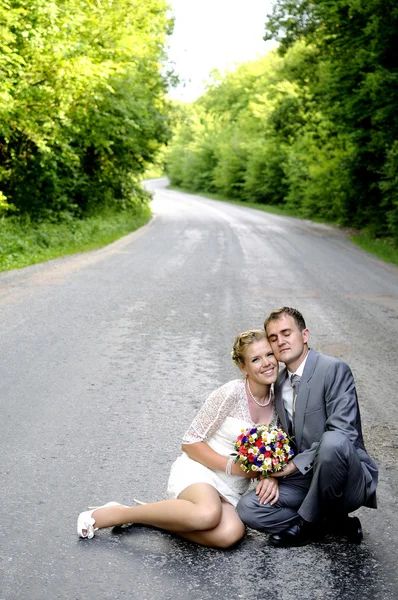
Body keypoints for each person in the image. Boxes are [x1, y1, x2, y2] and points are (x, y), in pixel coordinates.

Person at [77, 329, 281, 548]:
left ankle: (159, 518)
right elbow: (190, 442)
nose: (266, 363)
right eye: (256, 359)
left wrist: (269, 475)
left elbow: (274, 453)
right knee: (208, 514)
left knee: (230, 535)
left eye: (269, 355)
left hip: (231, 488)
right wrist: (233, 467)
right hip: (200, 471)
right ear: (244, 367)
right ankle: (122, 513)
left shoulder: (280, 400)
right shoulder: (231, 393)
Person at [236, 307, 378, 547]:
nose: (280, 341)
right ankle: (330, 522)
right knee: (248, 508)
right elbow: (285, 437)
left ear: (305, 335)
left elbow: (344, 434)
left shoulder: (334, 370)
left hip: (345, 478)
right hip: (305, 479)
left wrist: (292, 466)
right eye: (273, 337)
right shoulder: (279, 383)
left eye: (286, 333)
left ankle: (306, 524)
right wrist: (270, 473)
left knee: (333, 442)